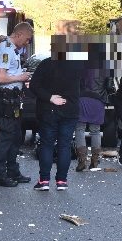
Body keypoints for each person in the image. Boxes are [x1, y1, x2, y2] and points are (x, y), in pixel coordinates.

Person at [30, 36, 85, 191]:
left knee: (47, 144)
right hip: (70, 110)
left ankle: (44, 181)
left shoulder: (46, 64)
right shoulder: (78, 66)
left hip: (48, 110)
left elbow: (34, 86)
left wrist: (50, 97)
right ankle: (62, 181)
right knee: (65, 145)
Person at [0, 22, 34, 187]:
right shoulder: (6, 48)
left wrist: (22, 78)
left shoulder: (12, 49)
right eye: (27, 39)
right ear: (19, 34)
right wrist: (20, 78)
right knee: (6, 137)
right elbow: (0, 78)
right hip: (5, 99)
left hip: (13, 98)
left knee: (16, 136)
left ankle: (12, 171)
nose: (27, 43)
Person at [75, 66, 110, 171]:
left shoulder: (80, 64)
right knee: (96, 131)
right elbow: (109, 86)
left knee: (79, 129)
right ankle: (94, 161)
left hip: (82, 98)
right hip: (98, 100)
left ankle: (82, 160)